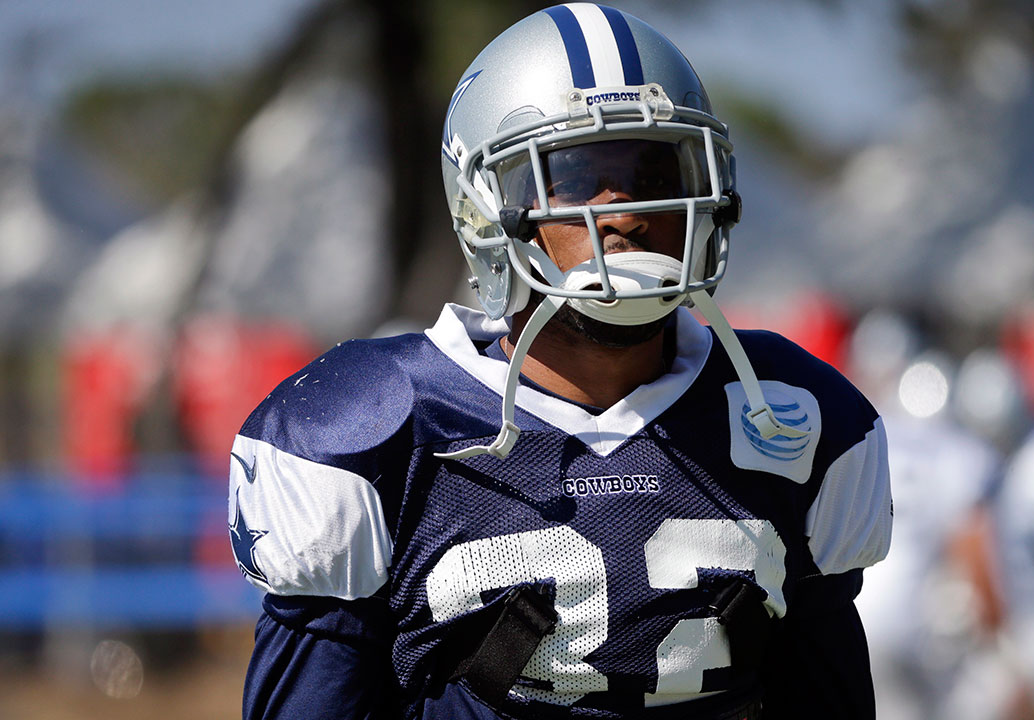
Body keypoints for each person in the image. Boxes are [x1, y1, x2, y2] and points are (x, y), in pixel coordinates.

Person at [229, 4, 892, 719]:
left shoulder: (796, 413)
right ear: (485, 210)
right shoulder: (374, 427)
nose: (626, 214)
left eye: (654, 170)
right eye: (574, 177)